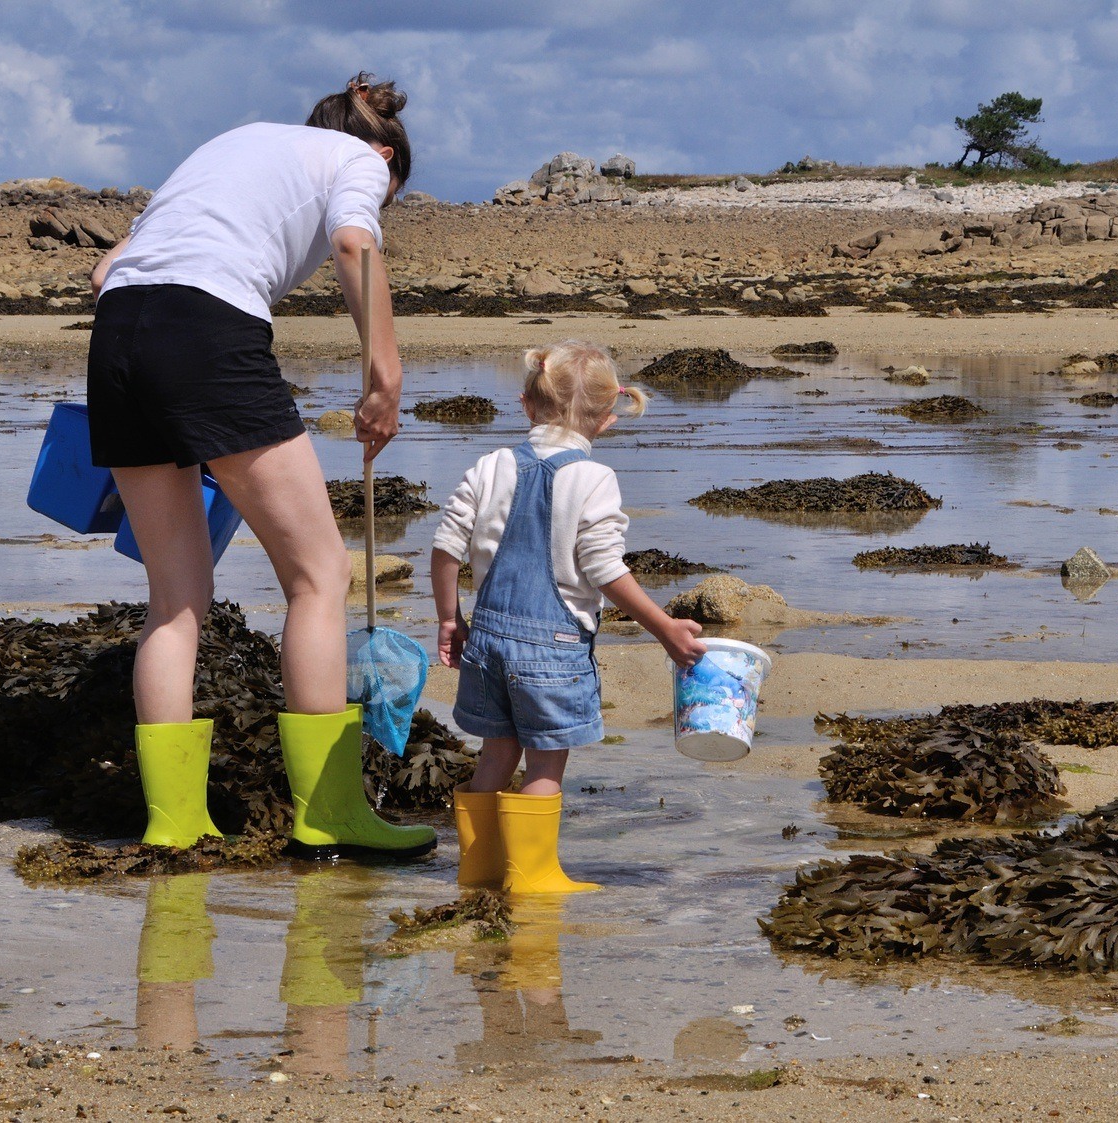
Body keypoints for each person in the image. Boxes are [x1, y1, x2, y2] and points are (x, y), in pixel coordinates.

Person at [86, 73, 434, 859]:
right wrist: (385, 377)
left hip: (117, 335)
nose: (383, 200)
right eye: (392, 193)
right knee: (319, 574)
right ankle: (329, 812)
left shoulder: (232, 144)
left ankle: (173, 822)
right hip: (205, 328)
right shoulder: (358, 161)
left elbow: (106, 271)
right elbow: (353, 244)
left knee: (174, 595)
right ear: (383, 153)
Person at [430, 341, 710, 894]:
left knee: (495, 754)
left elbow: (444, 546)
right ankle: (533, 878)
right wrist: (665, 629)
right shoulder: (594, 478)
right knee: (543, 767)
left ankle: (479, 871)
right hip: (553, 649)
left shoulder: (491, 466)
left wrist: (448, 618)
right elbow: (605, 569)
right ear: (608, 419)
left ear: (527, 405)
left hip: (486, 640)